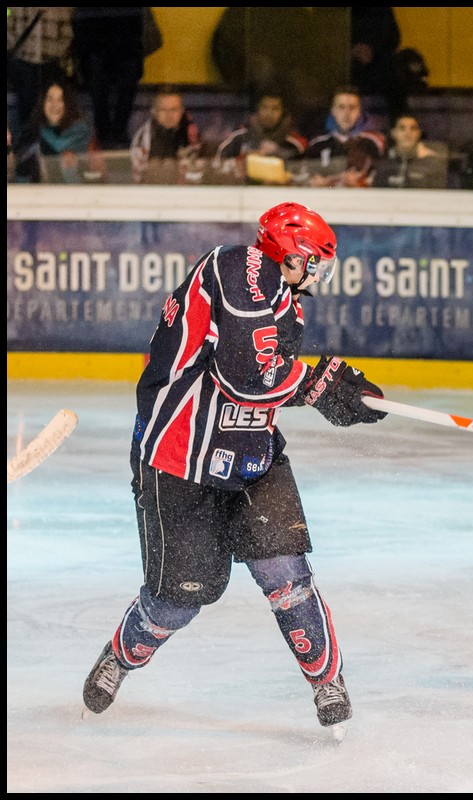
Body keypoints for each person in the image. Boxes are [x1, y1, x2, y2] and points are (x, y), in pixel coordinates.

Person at [80, 202, 389, 736]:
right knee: (177, 601)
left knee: (285, 575)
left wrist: (337, 390)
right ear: (289, 255)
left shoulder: (286, 306)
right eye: (314, 260)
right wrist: (315, 385)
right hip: (179, 457)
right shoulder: (234, 270)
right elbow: (245, 374)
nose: (318, 273)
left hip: (250, 451)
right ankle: (120, 655)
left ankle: (326, 680)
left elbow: (268, 382)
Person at [210, 7, 351, 136]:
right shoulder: (241, 13)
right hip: (251, 91)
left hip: (292, 94)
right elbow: (223, 49)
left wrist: (305, 79)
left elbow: (311, 53)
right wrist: (245, 73)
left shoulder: (297, 14)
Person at [70, 7, 148, 149]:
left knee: (102, 93)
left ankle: (107, 135)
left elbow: (80, 25)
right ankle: (115, 134)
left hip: (104, 51)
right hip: (119, 50)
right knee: (114, 90)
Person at [11, 79, 101, 184]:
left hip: (77, 193)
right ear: (42, 103)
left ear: (67, 104)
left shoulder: (81, 129)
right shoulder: (31, 133)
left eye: (60, 100)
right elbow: (20, 173)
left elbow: (59, 146)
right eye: (50, 99)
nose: (55, 104)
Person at [6, 7, 75, 136]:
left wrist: (56, 52)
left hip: (48, 61)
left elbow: (66, 34)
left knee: (48, 101)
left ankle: (44, 138)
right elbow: (9, 27)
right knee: (27, 102)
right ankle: (29, 138)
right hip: (25, 61)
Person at [300, 85, 385, 188]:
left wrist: (359, 184)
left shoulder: (372, 144)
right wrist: (318, 183)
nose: (347, 113)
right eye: (341, 107)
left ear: (359, 112)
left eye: (352, 107)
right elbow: (304, 176)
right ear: (333, 111)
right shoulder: (318, 144)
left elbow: (380, 178)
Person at [213, 92, 308, 184]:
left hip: (282, 194)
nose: (269, 113)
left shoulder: (294, 142)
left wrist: (278, 151)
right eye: (264, 107)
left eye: (275, 109)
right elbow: (217, 165)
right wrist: (242, 163)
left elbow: (304, 172)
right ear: (257, 110)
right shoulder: (240, 137)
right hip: (243, 192)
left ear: (283, 112)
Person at [129, 85, 202, 185]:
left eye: (174, 109)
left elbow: (200, 172)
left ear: (181, 111)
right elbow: (138, 179)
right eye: (163, 110)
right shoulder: (143, 138)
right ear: (154, 111)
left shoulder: (193, 134)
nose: (169, 115)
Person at [370, 113, 447, 189]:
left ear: (419, 133)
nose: (408, 133)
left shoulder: (432, 165)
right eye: (402, 128)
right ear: (394, 133)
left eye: (413, 128)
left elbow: (438, 197)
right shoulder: (384, 164)